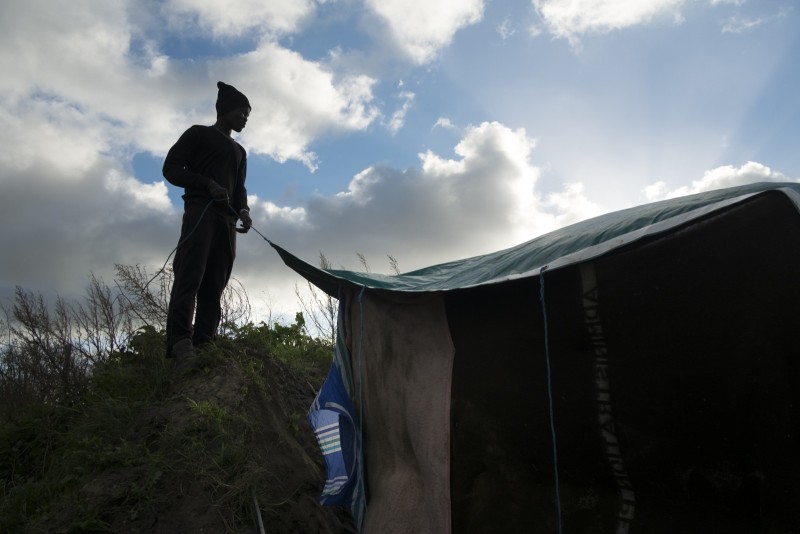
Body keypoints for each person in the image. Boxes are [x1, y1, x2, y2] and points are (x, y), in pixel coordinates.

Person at [162, 81, 253, 359]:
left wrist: (244, 210)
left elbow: (239, 189)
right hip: (200, 213)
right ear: (224, 110)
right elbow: (171, 168)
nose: (245, 118)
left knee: (215, 283)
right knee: (190, 275)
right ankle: (180, 342)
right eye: (242, 112)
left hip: (227, 224)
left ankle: (206, 342)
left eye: (248, 115)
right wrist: (206, 184)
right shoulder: (198, 134)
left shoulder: (240, 153)